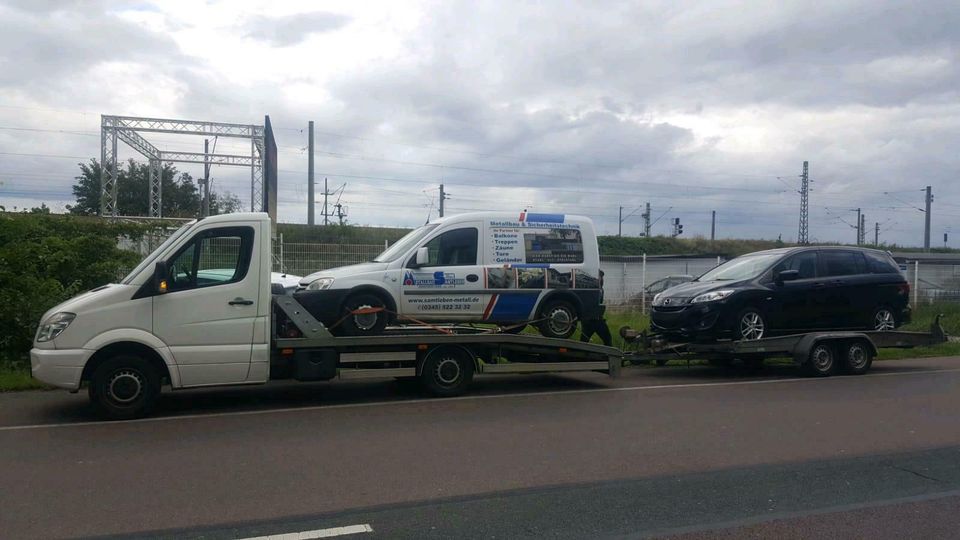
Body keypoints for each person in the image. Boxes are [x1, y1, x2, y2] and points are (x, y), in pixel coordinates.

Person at [580, 270, 613, 346]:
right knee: (607, 338)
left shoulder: (601, 289)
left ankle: (608, 355)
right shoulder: (591, 288)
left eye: (601, 277)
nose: (600, 279)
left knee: (607, 338)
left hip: (596, 318)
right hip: (591, 320)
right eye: (599, 277)